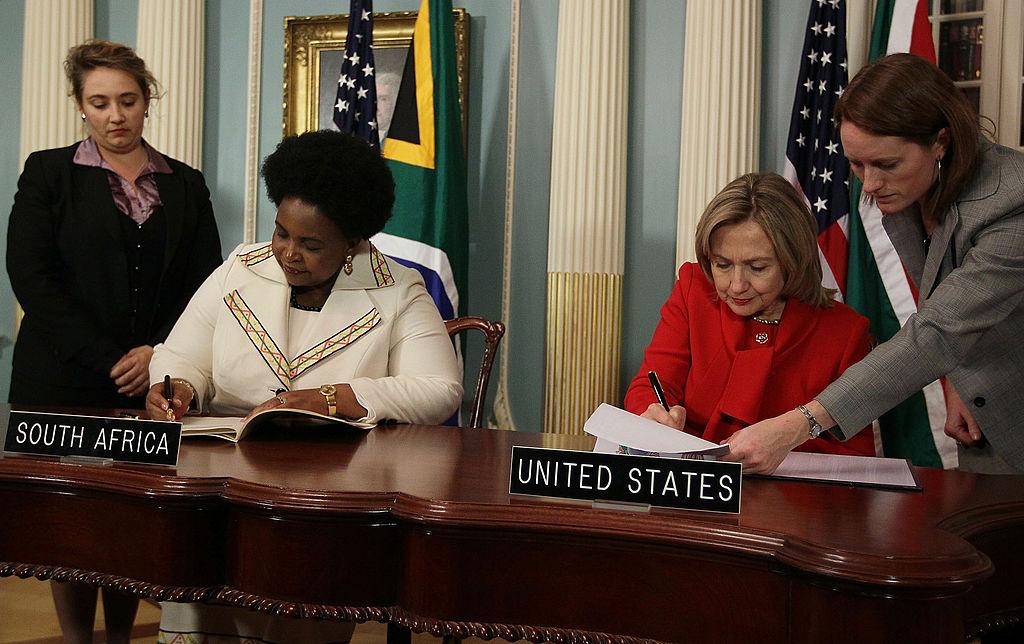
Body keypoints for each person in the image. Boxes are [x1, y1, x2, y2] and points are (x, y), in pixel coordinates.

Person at [146, 129, 462, 641]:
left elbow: (439, 388)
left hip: (331, 494)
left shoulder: (397, 287)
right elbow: (184, 353)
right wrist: (178, 386)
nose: (288, 253)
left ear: (354, 242)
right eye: (282, 233)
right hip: (224, 480)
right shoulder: (240, 270)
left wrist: (334, 398)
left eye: (311, 244)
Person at [5, 39, 222, 643]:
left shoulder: (187, 184)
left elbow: (206, 283)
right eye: (99, 103)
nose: (115, 115)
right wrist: (109, 359)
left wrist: (157, 352)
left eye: (127, 100)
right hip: (58, 384)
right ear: (81, 106)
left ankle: (122, 638)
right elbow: (32, 278)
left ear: (147, 101)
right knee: (71, 525)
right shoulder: (47, 173)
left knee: (130, 524)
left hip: (148, 386)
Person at [723, 53, 1024, 475]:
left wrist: (797, 425)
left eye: (885, 164)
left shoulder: (1012, 204)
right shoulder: (912, 188)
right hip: (988, 415)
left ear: (941, 140)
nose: (870, 183)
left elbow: (936, 332)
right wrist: (958, 377)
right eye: (856, 164)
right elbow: (948, 302)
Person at [624, 173, 876, 458]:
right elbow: (651, 384)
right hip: (692, 487)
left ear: (792, 261)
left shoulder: (845, 331)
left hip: (790, 496)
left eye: (757, 267)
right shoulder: (693, 290)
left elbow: (855, 456)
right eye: (722, 264)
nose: (737, 285)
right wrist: (652, 415)